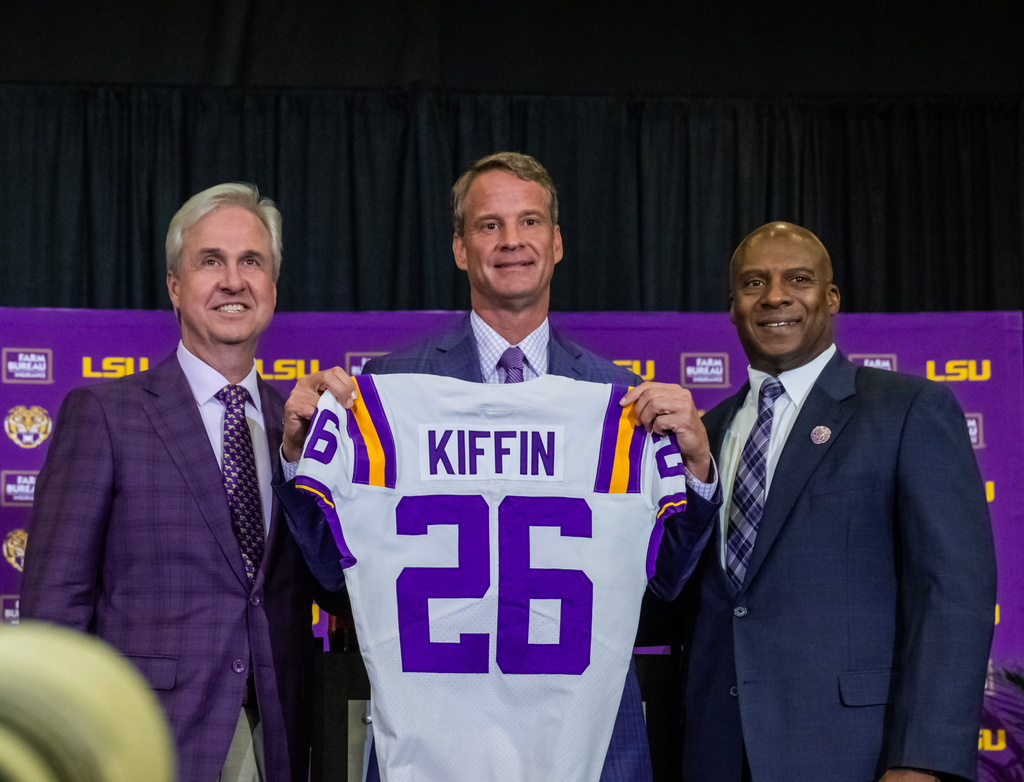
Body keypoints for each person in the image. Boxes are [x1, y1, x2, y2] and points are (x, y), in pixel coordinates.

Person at [277, 152, 721, 781]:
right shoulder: (384, 393)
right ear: (460, 249)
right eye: (489, 225)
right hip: (431, 746)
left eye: (530, 221)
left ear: (557, 242)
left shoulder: (619, 403)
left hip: (586, 745)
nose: (511, 241)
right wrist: (302, 461)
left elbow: (666, 583)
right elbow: (333, 577)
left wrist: (697, 470)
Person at [20, 183, 340, 782]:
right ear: (174, 285)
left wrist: (300, 466)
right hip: (142, 738)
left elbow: (337, 588)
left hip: (281, 737)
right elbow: (53, 609)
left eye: (253, 262)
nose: (233, 280)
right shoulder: (104, 413)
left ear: (272, 287)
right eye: (210, 261)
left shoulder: (298, 428)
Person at [676, 222, 996, 781]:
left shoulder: (908, 411)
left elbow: (953, 595)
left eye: (798, 279)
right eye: (754, 283)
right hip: (716, 753)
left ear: (831, 297)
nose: (775, 296)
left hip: (854, 755)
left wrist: (922, 761)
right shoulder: (708, 432)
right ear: (732, 307)